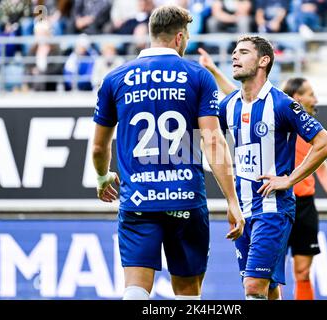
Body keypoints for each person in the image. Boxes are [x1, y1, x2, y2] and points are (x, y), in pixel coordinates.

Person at [92, 5, 244, 300]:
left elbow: (99, 146)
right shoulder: (198, 76)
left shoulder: (115, 78)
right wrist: (232, 200)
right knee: (187, 293)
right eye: (186, 35)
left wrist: (102, 177)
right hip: (185, 199)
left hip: (138, 200)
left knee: (135, 290)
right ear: (179, 38)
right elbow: (213, 141)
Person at [198, 37, 327, 300]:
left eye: (243, 52)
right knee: (269, 290)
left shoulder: (282, 104)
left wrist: (289, 179)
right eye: (234, 52)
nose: (234, 57)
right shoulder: (229, 105)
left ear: (264, 61)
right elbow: (209, 141)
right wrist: (232, 202)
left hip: (273, 210)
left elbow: (325, 144)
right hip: (243, 211)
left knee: (253, 287)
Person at [282, 77, 327, 300]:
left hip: (304, 206)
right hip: (278, 203)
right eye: (311, 94)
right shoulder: (277, 124)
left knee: (303, 271)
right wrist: (215, 71)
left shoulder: (312, 131)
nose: (316, 99)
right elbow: (240, 96)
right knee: (269, 273)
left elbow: (322, 168)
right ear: (296, 98)